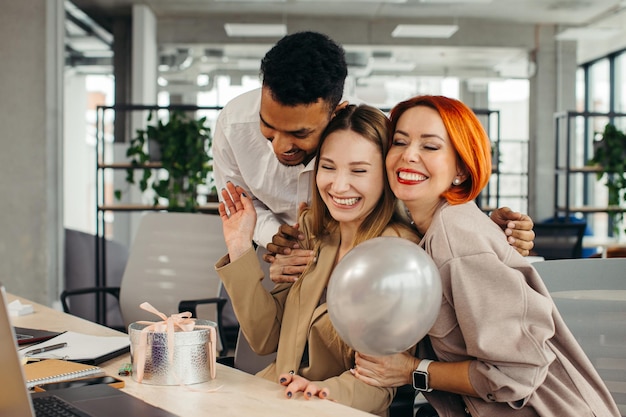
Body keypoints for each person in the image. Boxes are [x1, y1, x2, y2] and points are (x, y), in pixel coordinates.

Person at [351, 95, 620, 417]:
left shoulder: (456, 233)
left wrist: (412, 370)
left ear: (461, 170)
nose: (409, 155)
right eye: (399, 141)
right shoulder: (441, 227)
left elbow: (515, 373)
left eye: (430, 146)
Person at [211, 30, 535, 279]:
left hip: (368, 264)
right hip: (280, 262)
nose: (280, 146)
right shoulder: (232, 125)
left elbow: (415, 194)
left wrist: (482, 236)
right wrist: (275, 237)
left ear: (337, 112)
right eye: (269, 128)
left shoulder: (366, 133)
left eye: (300, 134)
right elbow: (242, 205)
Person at [215, 104, 420, 415]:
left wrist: (316, 394)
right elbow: (264, 338)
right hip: (271, 401)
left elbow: (379, 386)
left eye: (359, 170)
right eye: (329, 167)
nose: (338, 185)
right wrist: (240, 246)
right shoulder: (314, 229)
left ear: (386, 175)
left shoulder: (398, 255)